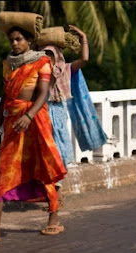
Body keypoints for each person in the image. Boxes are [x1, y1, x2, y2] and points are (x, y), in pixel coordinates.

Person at [0, 21, 67, 242]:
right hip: (12, 122)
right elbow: (6, 97)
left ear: (29, 42)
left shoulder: (42, 62)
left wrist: (29, 115)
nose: (14, 43)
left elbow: (43, 93)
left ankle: (53, 217)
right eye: (11, 40)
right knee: (4, 169)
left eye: (19, 40)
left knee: (42, 168)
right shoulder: (8, 64)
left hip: (34, 121)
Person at [37, 25, 108, 205]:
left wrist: (84, 37)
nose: (48, 59)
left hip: (58, 113)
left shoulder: (66, 70)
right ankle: (52, 194)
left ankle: (57, 192)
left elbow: (84, 58)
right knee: (44, 153)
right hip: (41, 114)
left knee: (59, 152)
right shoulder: (37, 72)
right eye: (45, 55)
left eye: (50, 55)